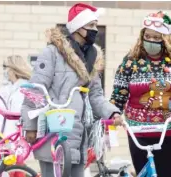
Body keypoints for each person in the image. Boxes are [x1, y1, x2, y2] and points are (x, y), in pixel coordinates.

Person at [21, 3, 121, 177]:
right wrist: (30, 126)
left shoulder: (93, 58)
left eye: (96, 25)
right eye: (90, 25)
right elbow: (35, 89)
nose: (95, 30)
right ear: (77, 27)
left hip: (79, 134)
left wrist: (112, 113)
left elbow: (95, 95)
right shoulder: (52, 53)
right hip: (54, 129)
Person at [109, 11, 171, 177]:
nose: (151, 41)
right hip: (139, 132)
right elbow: (118, 93)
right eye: (148, 36)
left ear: (166, 39)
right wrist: (114, 113)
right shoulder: (131, 60)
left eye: (157, 38)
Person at [0, 55, 32, 177]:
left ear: (13, 68)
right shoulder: (11, 89)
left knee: (11, 172)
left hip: (12, 142)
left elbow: (17, 115)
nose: (4, 71)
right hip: (7, 141)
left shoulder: (22, 90)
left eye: (5, 67)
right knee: (16, 172)